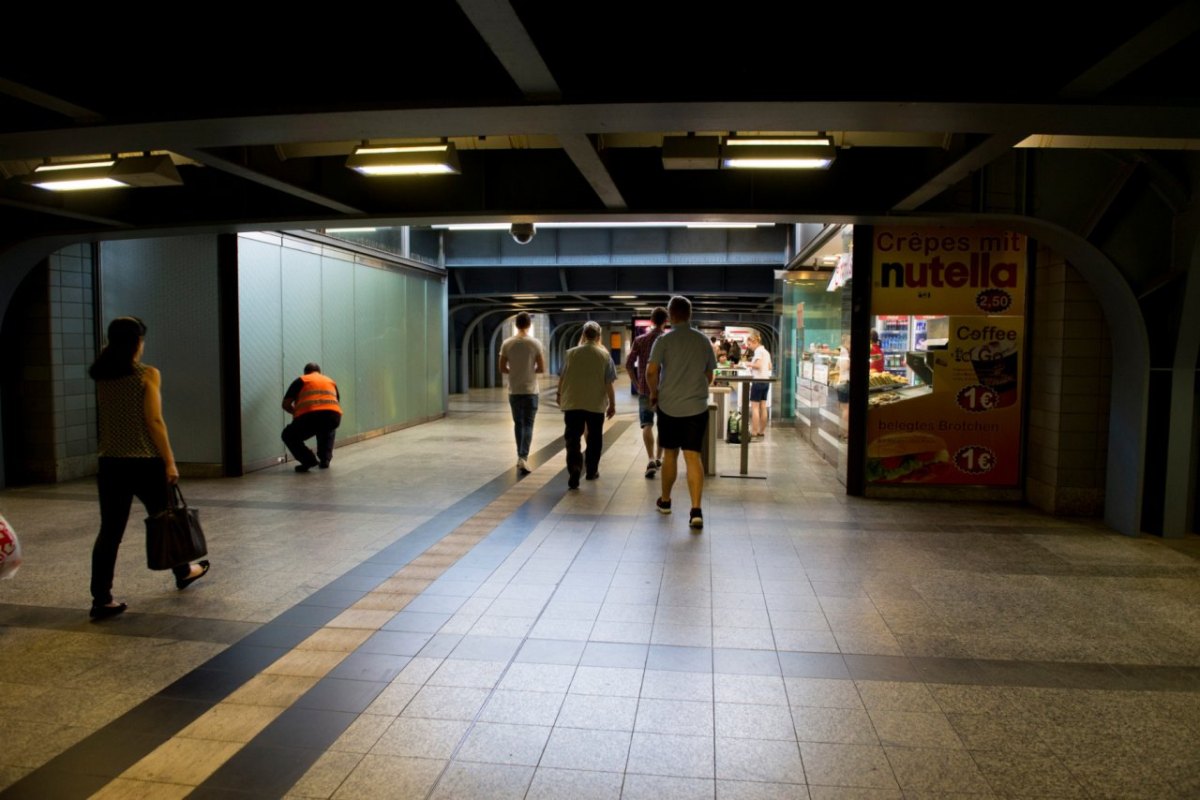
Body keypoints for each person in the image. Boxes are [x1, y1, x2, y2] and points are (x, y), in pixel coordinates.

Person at [89, 317, 209, 620]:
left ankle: (101, 599)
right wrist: (169, 460)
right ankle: (183, 571)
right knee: (167, 518)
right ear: (137, 342)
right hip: (144, 461)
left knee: (110, 532)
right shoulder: (147, 374)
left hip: (110, 463)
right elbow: (154, 421)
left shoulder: (102, 374)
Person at [647, 296, 716, 530]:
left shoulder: (663, 340)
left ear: (670, 314)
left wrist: (654, 393)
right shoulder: (703, 340)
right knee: (692, 456)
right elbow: (710, 374)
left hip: (669, 406)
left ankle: (665, 502)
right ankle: (696, 510)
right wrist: (698, 388)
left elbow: (651, 371)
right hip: (696, 407)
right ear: (690, 314)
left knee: (670, 455)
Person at [557, 321, 617, 489]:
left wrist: (559, 394)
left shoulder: (570, 353)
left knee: (572, 439)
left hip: (573, 402)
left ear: (582, 335)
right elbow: (609, 383)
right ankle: (591, 470)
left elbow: (562, 376)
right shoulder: (605, 356)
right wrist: (612, 404)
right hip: (595, 404)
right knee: (594, 439)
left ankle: (575, 469)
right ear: (599, 336)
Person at [499, 312, 546, 474]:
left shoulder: (507, 343)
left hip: (514, 389)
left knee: (518, 423)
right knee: (528, 424)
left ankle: (520, 455)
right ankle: (523, 457)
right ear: (529, 325)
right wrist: (529, 370)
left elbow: (502, 368)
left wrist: (514, 371)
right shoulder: (535, 343)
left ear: (516, 324)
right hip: (531, 390)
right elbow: (541, 368)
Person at [626, 306, 668, 478]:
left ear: (651, 320)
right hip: (666, 391)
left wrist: (637, 383)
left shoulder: (640, 340)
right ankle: (659, 457)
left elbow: (629, 364)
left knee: (647, 424)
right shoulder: (668, 341)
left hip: (644, 390)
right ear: (666, 321)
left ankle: (650, 458)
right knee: (664, 426)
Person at [282, 363, 343, 472]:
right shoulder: (330, 381)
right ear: (319, 372)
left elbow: (285, 404)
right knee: (327, 428)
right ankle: (325, 460)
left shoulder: (302, 380)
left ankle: (308, 460)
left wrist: (296, 413)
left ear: (305, 372)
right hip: (334, 415)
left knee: (288, 435)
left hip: (310, 416)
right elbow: (335, 401)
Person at [746, 332, 773, 438]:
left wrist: (748, 364)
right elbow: (769, 366)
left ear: (755, 342)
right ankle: (761, 431)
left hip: (757, 381)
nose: (749, 347)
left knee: (755, 408)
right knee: (763, 407)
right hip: (766, 381)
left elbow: (758, 365)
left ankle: (754, 431)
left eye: (749, 344)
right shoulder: (766, 352)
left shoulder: (758, 351)